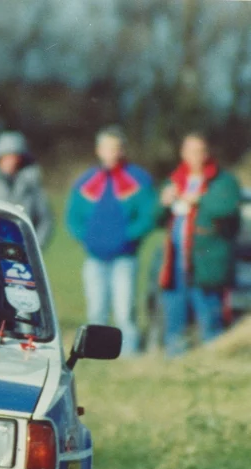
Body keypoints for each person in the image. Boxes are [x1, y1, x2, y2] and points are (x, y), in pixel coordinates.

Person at [65, 126, 156, 356]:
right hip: (94, 258)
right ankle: (97, 355)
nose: (112, 153)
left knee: (125, 311)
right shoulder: (86, 181)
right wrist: (87, 239)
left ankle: (129, 355)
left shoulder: (139, 179)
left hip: (125, 257)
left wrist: (128, 238)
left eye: (116, 148)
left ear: (123, 150)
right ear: (99, 150)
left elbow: (149, 215)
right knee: (97, 310)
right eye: (107, 148)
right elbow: (72, 217)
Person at [155, 131, 242, 357]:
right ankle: (174, 364)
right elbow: (154, 219)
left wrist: (198, 199)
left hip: (206, 265)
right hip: (175, 265)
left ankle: (213, 363)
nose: (196, 156)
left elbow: (227, 208)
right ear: (182, 153)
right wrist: (163, 202)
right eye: (190, 151)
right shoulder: (174, 180)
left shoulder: (223, 182)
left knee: (210, 321)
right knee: (174, 322)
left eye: (200, 150)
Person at [0, 131, 54, 249]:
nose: (11, 162)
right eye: (7, 157)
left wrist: (34, 248)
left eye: (15, 157)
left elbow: (45, 220)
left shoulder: (31, 185)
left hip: (22, 251)